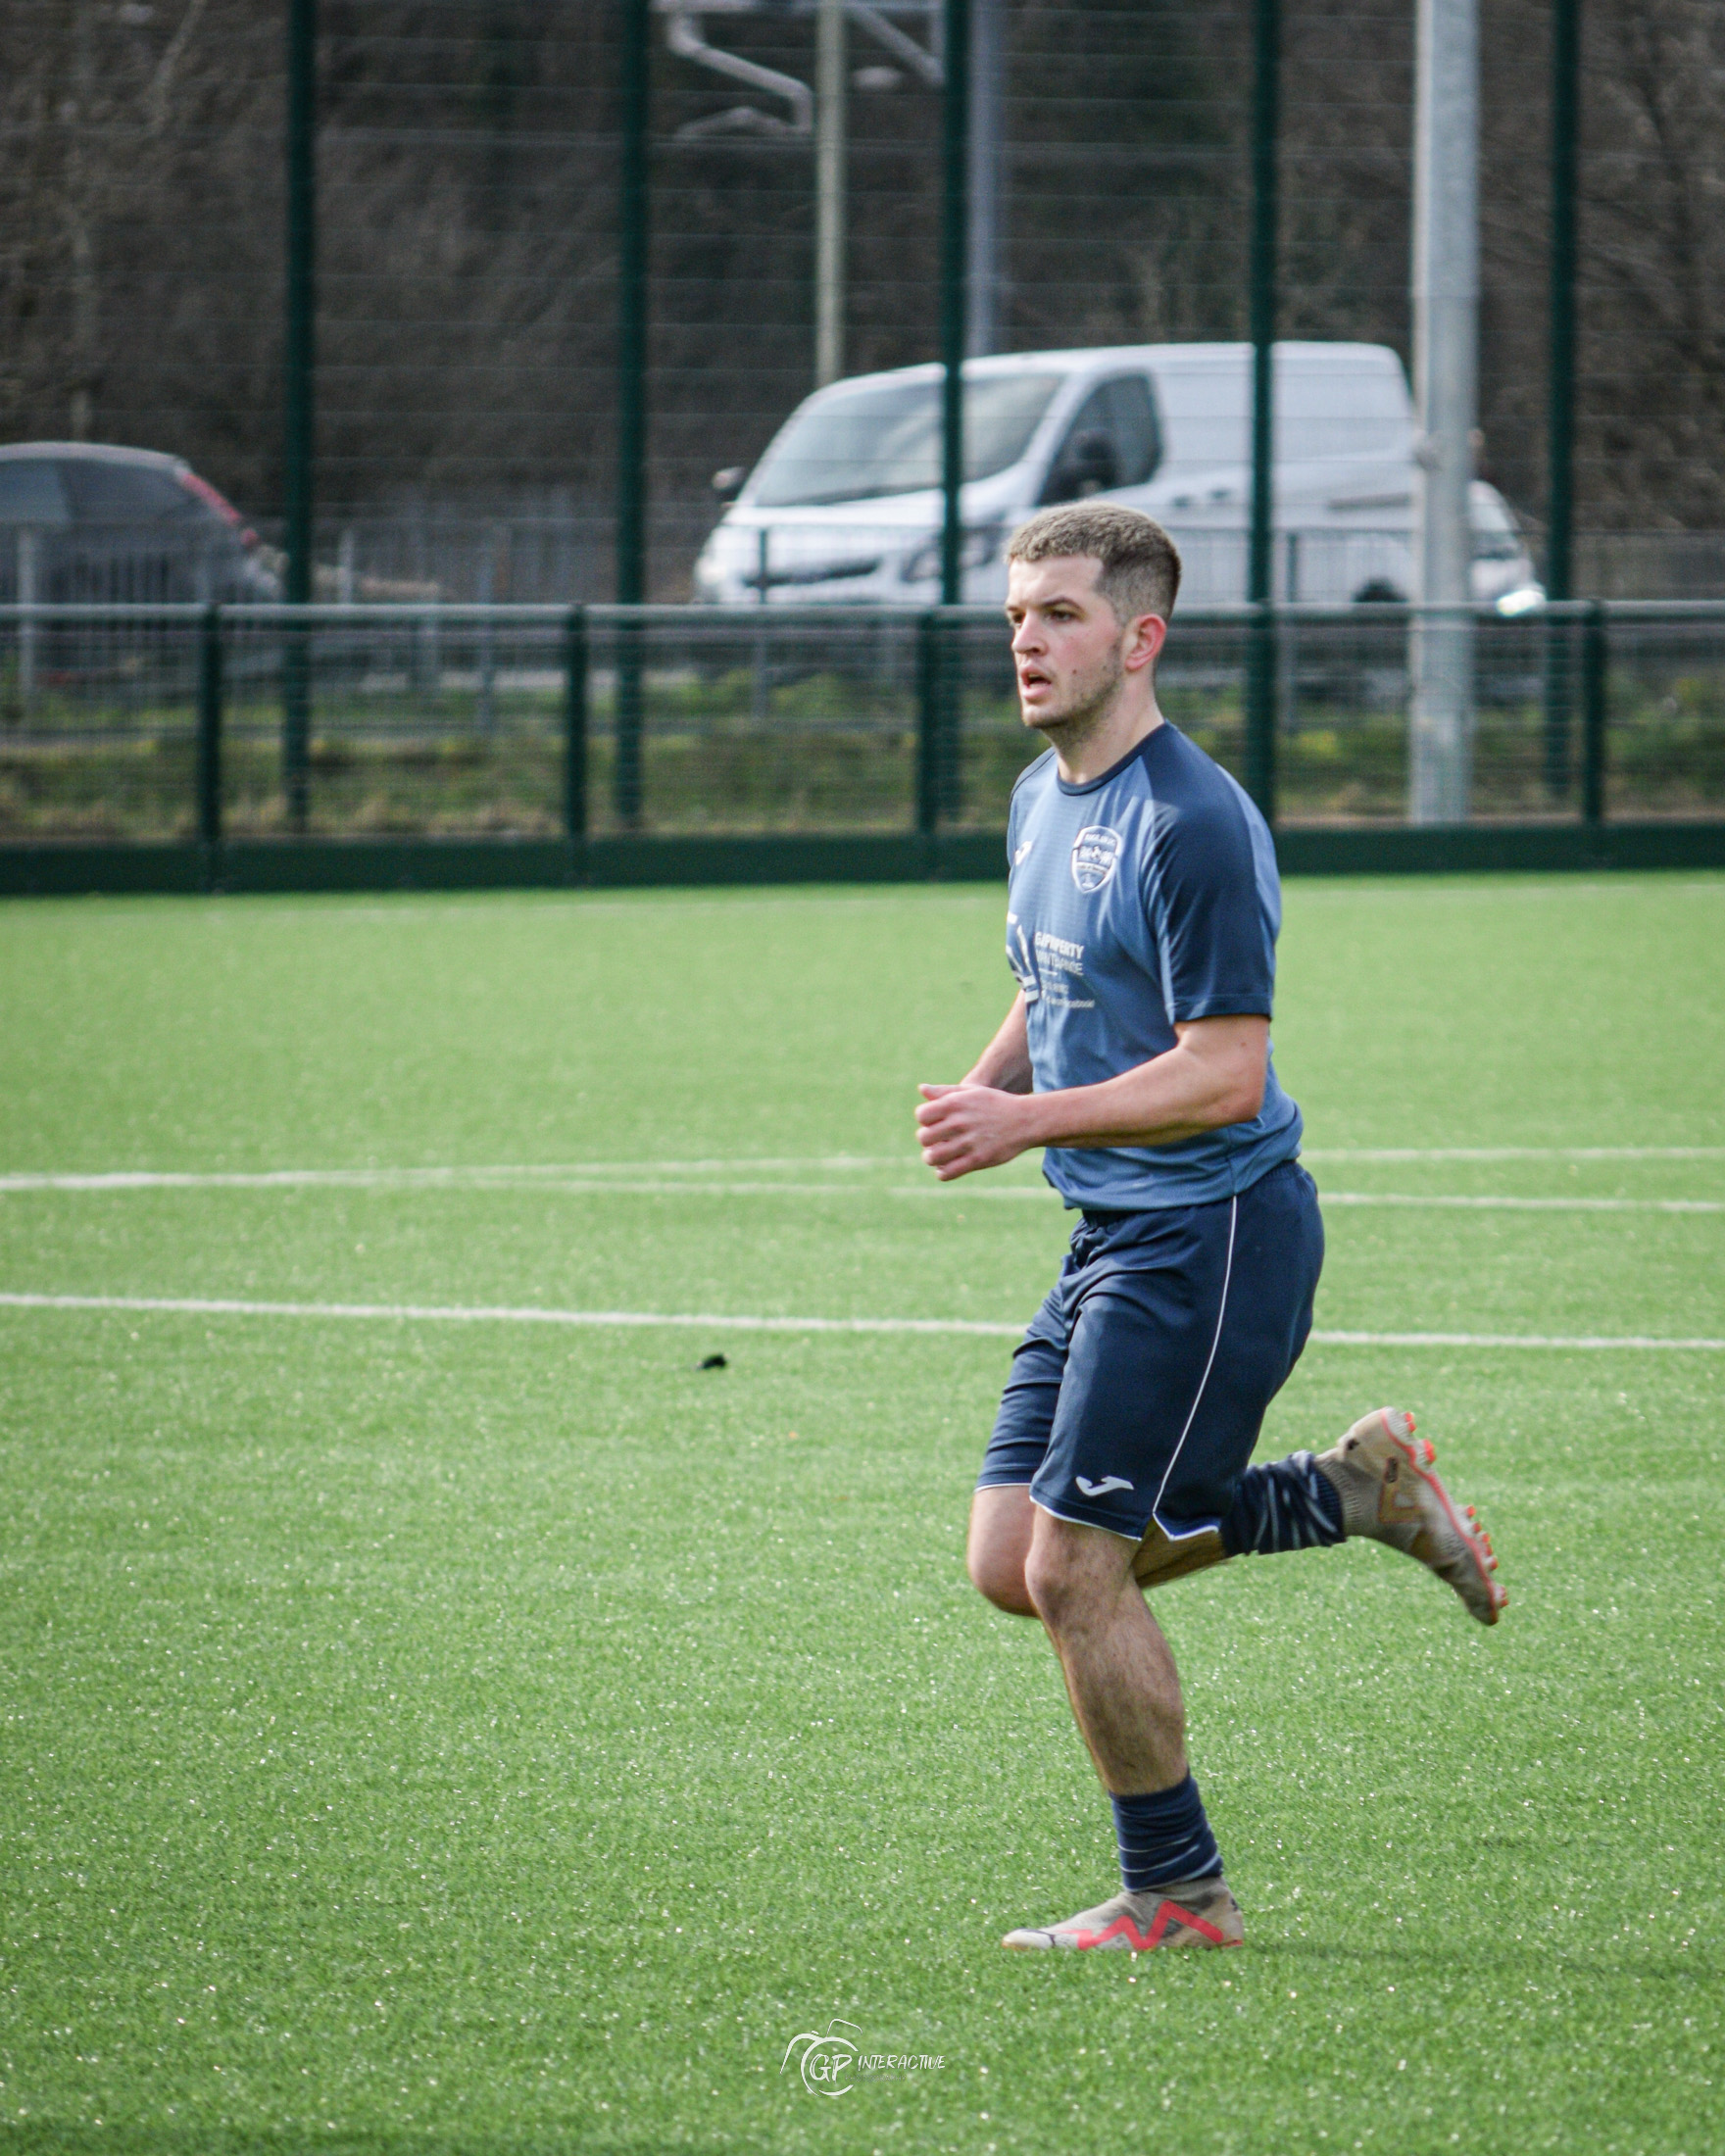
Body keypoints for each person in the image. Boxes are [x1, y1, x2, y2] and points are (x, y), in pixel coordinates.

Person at [915, 503, 1505, 1955]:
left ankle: (1178, 1894)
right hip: (1114, 1232)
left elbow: (1225, 1072)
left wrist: (1026, 1125)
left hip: (1213, 1233)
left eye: (1060, 616)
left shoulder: (1192, 823)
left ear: (1141, 638)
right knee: (1012, 1561)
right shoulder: (1039, 797)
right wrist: (990, 1082)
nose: (1027, 643)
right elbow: (1055, 973)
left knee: (1074, 1572)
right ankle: (1346, 1493)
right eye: (1015, 617)